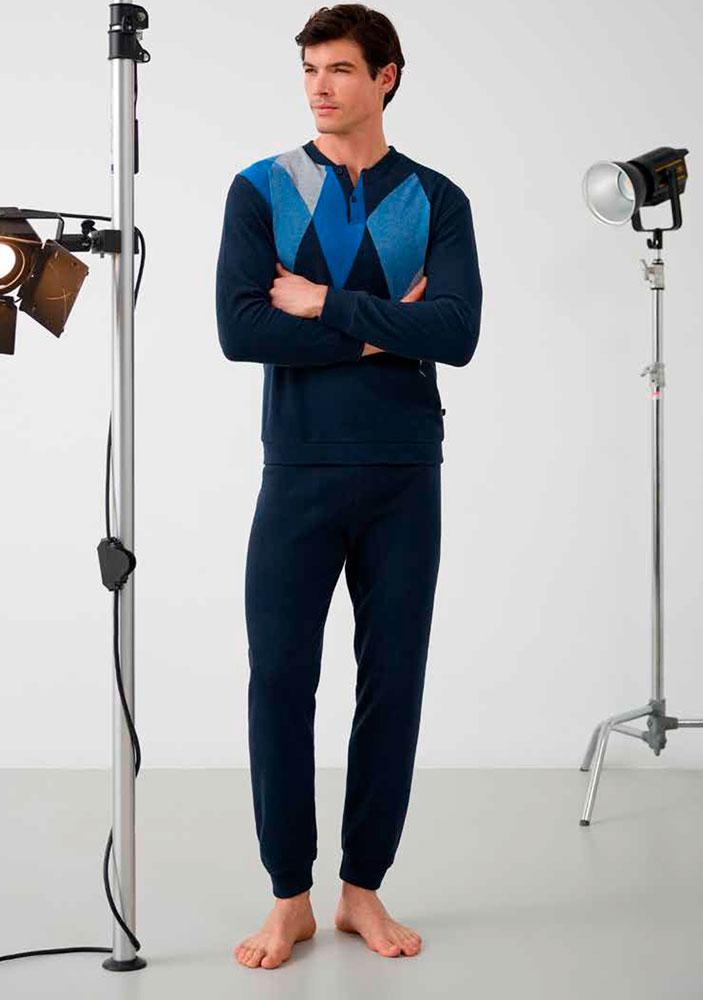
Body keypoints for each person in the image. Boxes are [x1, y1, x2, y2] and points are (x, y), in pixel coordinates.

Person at [215, 2, 482, 970]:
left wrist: (324, 302)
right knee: (281, 682)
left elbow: (455, 331)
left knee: (392, 682)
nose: (318, 86)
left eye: (337, 68)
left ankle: (361, 889)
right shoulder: (260, 188)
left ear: (385, 77)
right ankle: (287, 896)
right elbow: (242, 329)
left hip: (405, 471)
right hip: (298, 468)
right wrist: (382, 329)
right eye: (308, 69)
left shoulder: (437, 199)